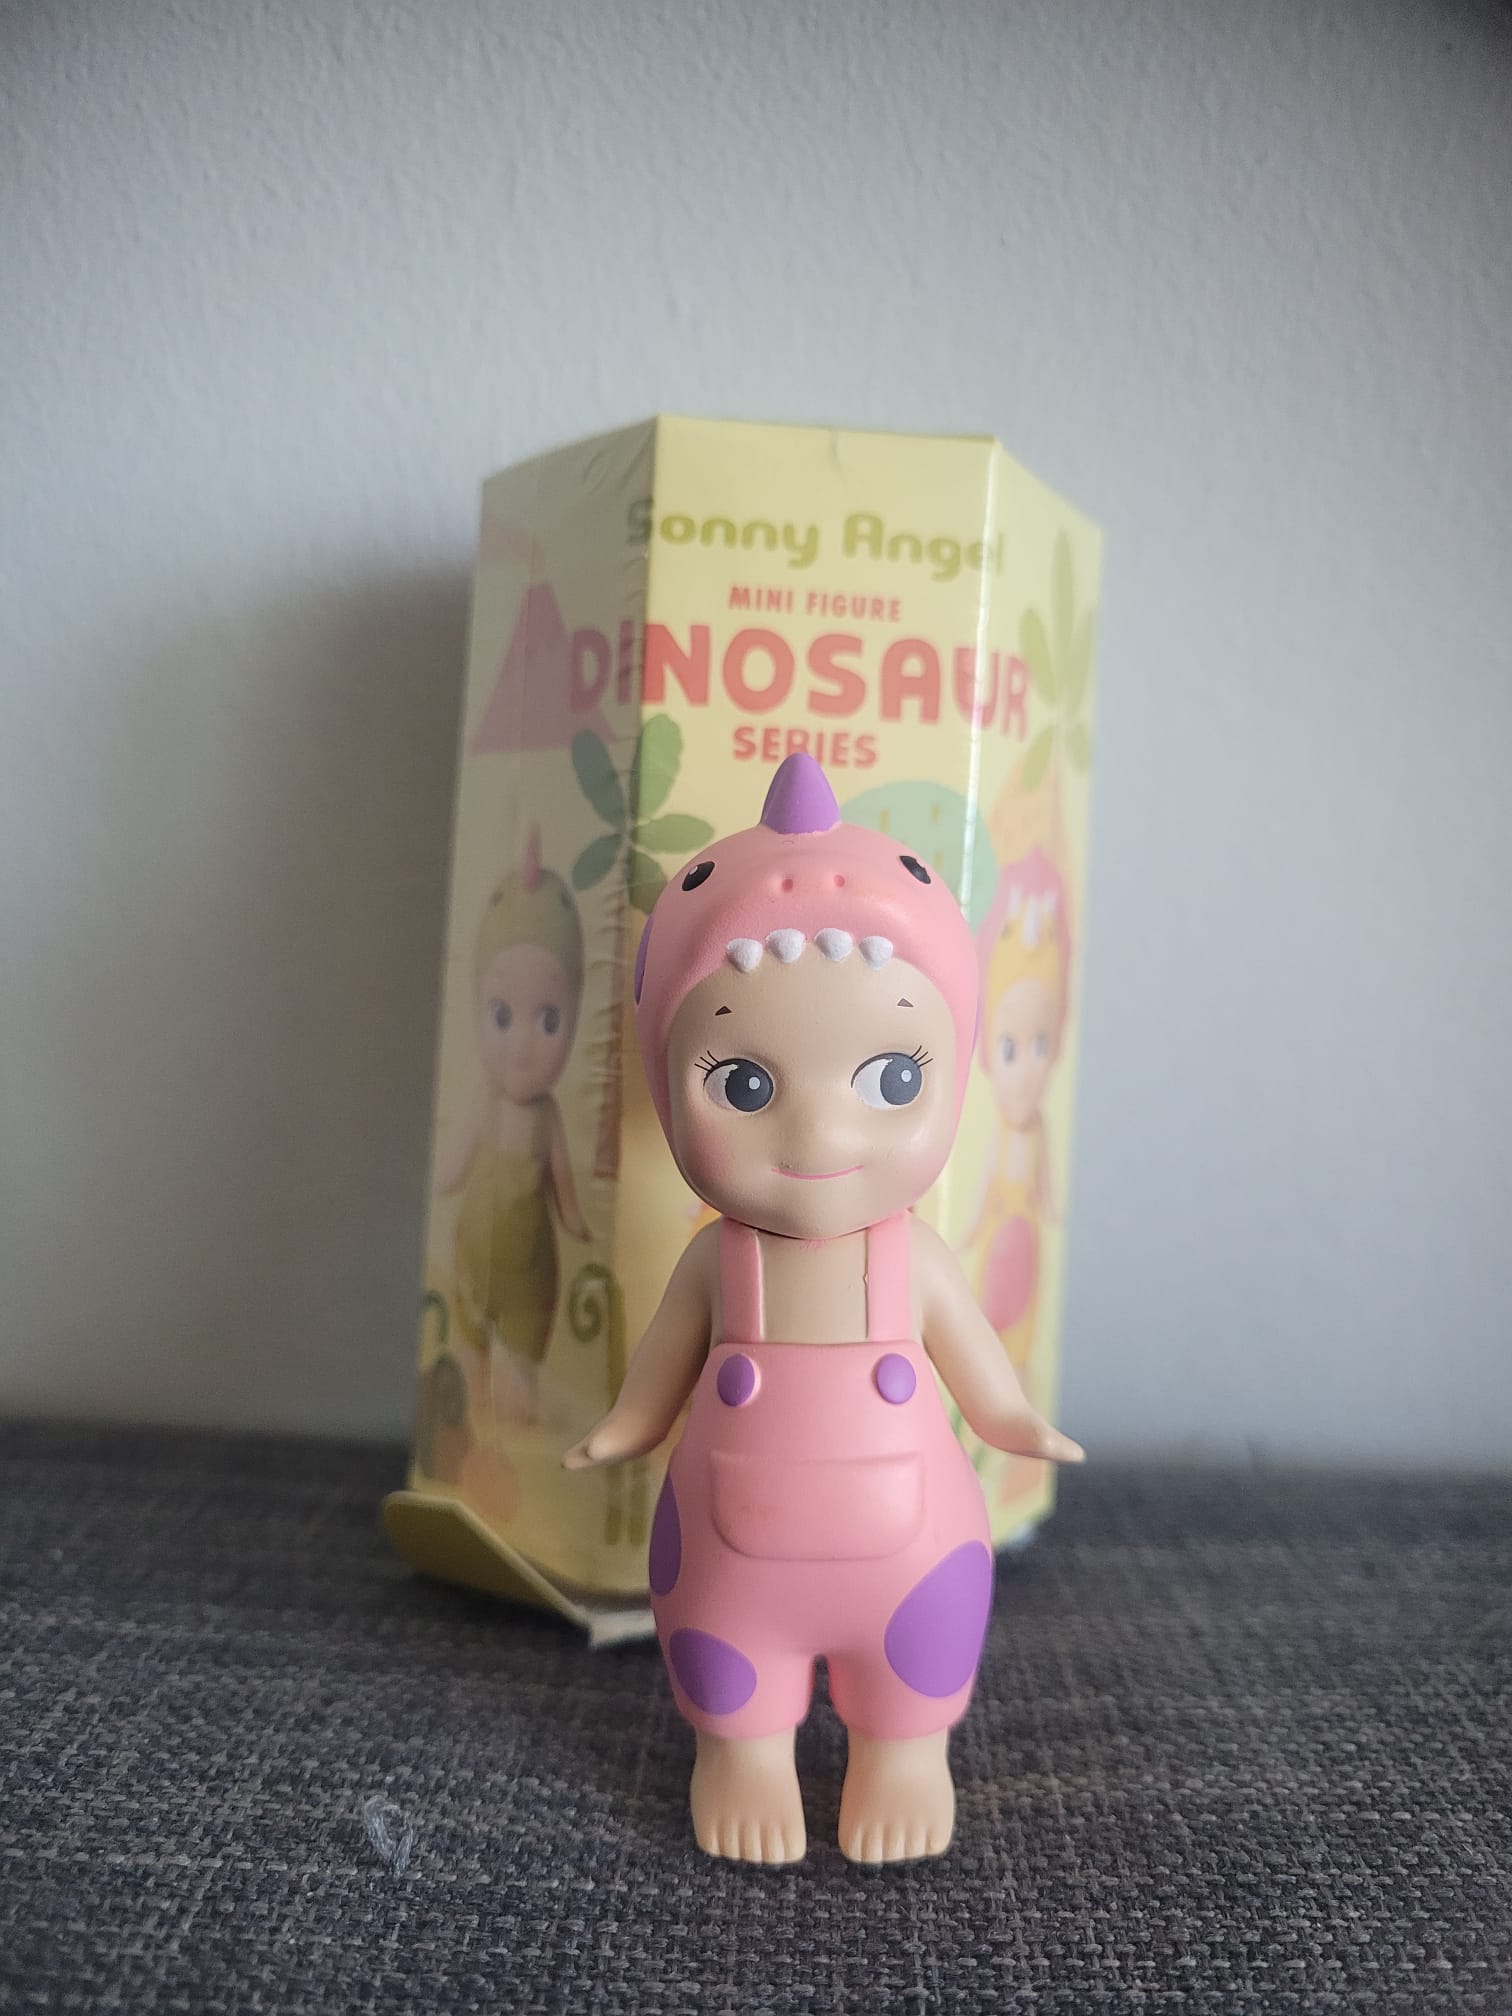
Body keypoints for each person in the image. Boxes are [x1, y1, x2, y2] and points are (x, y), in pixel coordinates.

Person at [564, 755, 1082, 1865]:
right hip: (731, 1551)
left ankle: (908, 1752)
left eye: (893, 1080)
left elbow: (980, 1373)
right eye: (745, 1086)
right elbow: (660, 1368)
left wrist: (1016, 1422)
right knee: (721, 1642)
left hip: (912, 1554)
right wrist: (622, 1428)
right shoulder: (716, 1263)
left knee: (923, 1649)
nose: (822, 1136)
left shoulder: (917, 1259)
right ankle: (738, 1755)